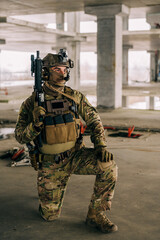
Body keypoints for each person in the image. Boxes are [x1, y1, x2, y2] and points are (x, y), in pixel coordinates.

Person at [15, 49, 118, 233]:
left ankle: (95, 215)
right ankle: (46, 197)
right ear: (45, 72)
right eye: (57, 69)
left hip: (76, 155)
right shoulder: (31, 103)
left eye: (64, 69)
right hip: (50, 164)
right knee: (50, 216)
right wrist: (35, 125)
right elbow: (20, 136)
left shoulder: (75, 96)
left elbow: (94, 119)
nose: (63, 73)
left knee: (108, 165)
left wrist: (100, 145)